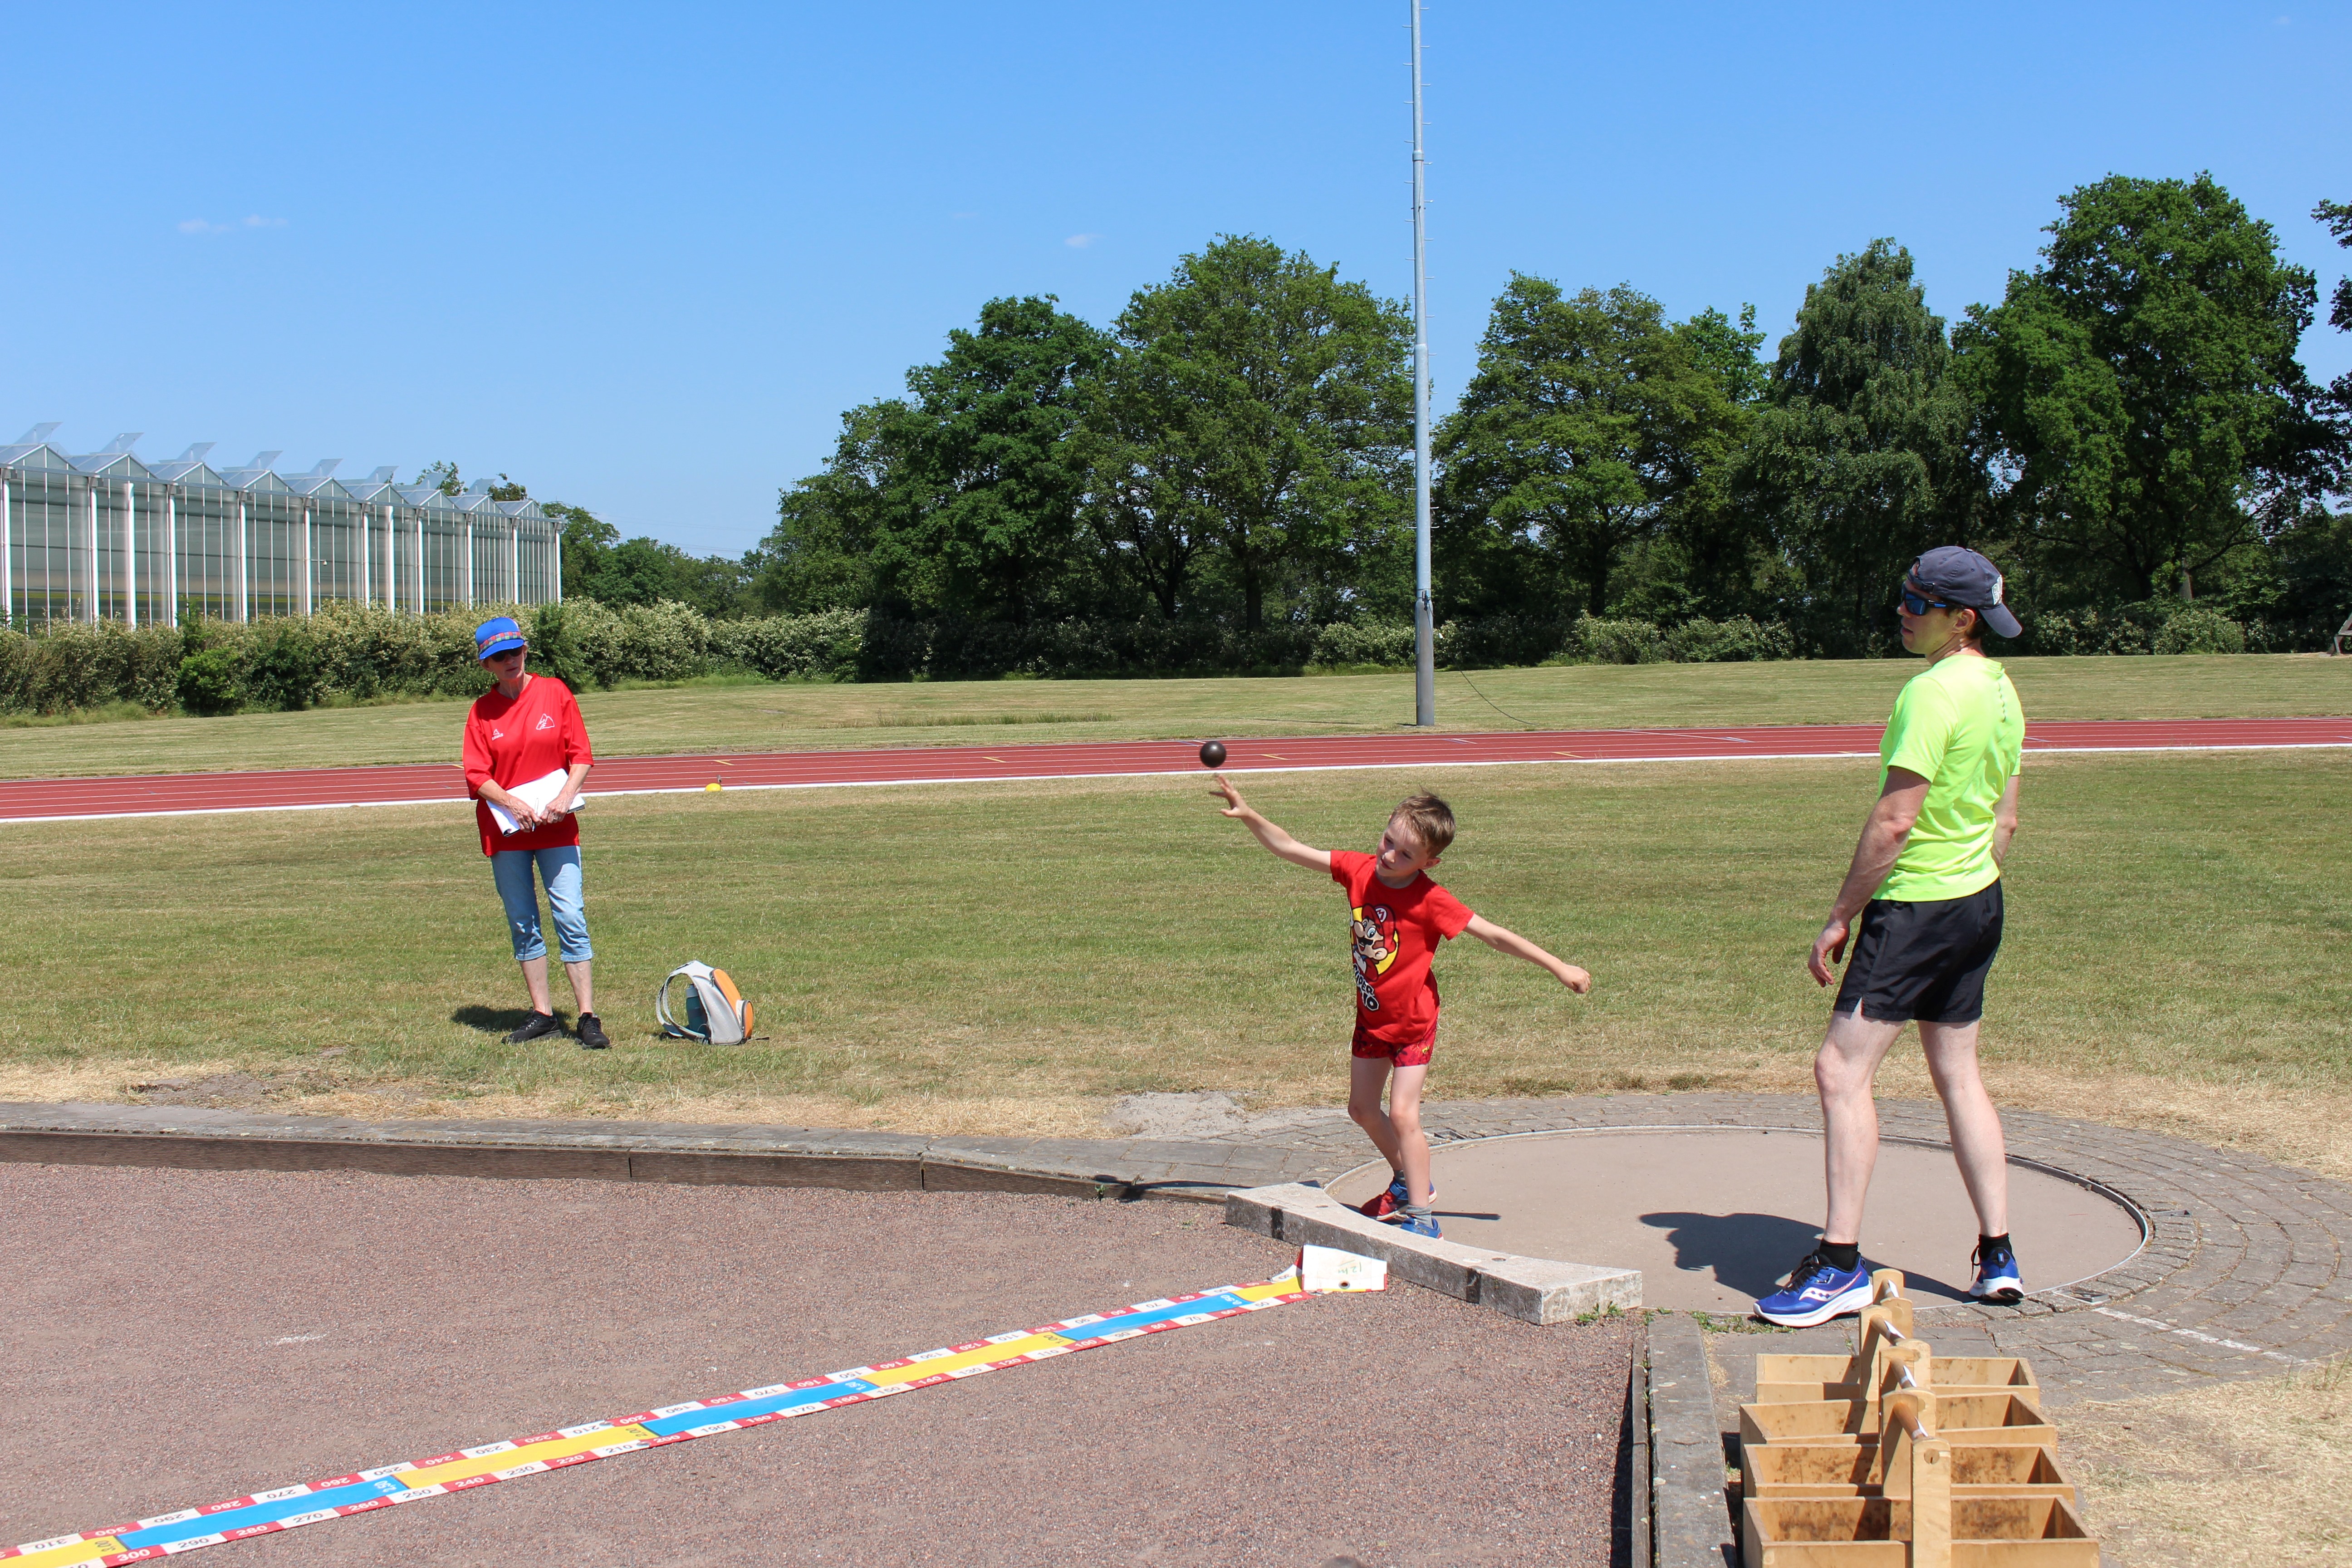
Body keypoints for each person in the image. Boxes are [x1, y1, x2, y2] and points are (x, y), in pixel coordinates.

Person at [1756, 547, 2026, 1327]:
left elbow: (1894, 821)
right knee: (1958, 1074)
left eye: (1917, 603)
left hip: (1916, 909)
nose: (1902, 612)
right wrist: (1967, 879)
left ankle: (1839, 1264)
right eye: (1903, 595)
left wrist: (1840, 915)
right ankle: (1998, 1255)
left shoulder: (1930, 692)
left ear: (1961, 619)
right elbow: (2005, 819)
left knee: (1838, 1070)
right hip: (1976, 901)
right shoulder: (2000, 688)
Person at [1211, 776, 1591, 1239]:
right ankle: (1410, 1181)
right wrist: (1250, 815)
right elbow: (1289, 847)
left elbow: (1494, 935)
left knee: (1404, 1115)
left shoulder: (1431, 900)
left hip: (1413, 1024)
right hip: (1373, 1020)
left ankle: (1423, 1221)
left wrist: (1558, 966)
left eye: (1406, 854)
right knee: (1361, 1109)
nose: (1390, 856)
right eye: (1389, 841)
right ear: (1387, 825)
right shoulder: (1359, 869)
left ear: (1430, 862)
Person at [461, 616, 608, 1050]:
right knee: (523, 922)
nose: (510, 661)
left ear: (526, 651)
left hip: (557, 828)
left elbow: (581, 755)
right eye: (499, 657)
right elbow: (476, 775)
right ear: (486, 665)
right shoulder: (481, 712)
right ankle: (543, 1015)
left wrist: (565, 797)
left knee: (570, 916)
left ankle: (587, 1016)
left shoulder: (555, 692)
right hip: (507, 832)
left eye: (516, 652)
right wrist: (512, 803)